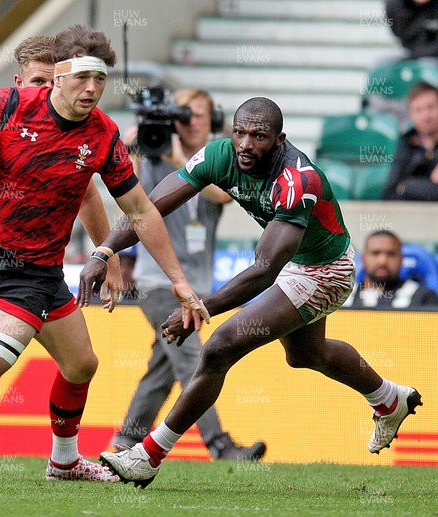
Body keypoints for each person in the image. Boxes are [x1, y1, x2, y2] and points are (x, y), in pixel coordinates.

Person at [0, 24, 208, 490]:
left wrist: (157, 272)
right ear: (56, 77)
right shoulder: (6, 108)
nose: (92, 89)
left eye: (100, 80)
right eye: (81, 78)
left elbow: (137, 210)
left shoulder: (102, 136)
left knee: (21, 373)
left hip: (33, 274)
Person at [78, 97, 423, 487]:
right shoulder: (219, 155)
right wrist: (104, 251)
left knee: (220, 345)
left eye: (258, 136)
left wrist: (198, 308)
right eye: (240, 132)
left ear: (279, 140)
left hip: (326, 270)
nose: (245, 143)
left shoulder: (298, 180)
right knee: (307, 355)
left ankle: (147, 456)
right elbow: (147, 208)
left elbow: (264, 271)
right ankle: (388, 399)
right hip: (296, 262)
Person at [110, 88, 266, 461]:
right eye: (183, 115)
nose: (190, 122)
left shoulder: (219, 160)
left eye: (198, 115)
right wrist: (130, 148)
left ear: (213, 121)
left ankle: (124, 443)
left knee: (162, 370)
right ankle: (219, 445)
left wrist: (181, 157)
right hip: (157, 283)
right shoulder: (151, 157)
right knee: (193, 360)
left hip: (195, 285)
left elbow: (222, 196)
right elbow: (126, 196)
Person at [343, 230, 438, 308]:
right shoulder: (342, 296)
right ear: (363, 259)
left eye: (391, 254)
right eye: (375, 253)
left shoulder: (423, 297)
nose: (382, 261)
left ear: (402, 260)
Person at [381, 81, 438, 201]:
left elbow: (401, 189)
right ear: (411, 114)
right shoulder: (406, 143)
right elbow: (389, 194)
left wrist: (406, 187)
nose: (426, 116)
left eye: (431, 107)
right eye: (418, 110)